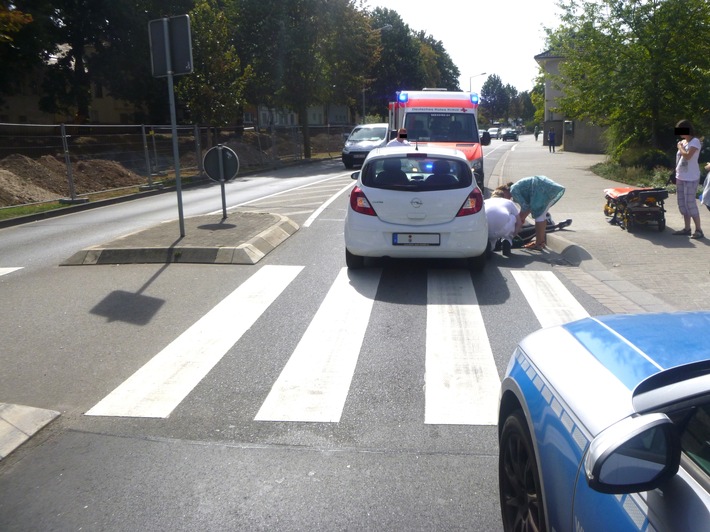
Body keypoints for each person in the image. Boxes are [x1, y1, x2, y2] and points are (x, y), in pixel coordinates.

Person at [503, 175, 565, 250]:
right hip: (545, 188)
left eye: (503, 196)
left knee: (539, 217)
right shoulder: (516, 188)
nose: (504, 199)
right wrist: (521, 218)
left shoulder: (513, 190)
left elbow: (525, 207)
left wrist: (519, 219)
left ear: (505, 190)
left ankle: (538, 244)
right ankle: (541, 242)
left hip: (540, 190)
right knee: (542, 217)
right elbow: (528, 207)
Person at [672, 119, 703, 239]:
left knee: (690, 204)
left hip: (691, 177)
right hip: (681, 176)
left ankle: (699, 230)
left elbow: (688, 156)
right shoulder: (683, 142)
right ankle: (687, 228)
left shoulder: (695, 141)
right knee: (682, 204)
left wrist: (680, 147)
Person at [485, 186, 522, 257]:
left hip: (486, 232)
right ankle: (507, 240)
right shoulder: (509, 202)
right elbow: (519, 222)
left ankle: (489, 247)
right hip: (502, 231)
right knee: (513, 217)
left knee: (492, 237)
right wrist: (513, 235)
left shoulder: (485, 202)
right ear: (503, 196)